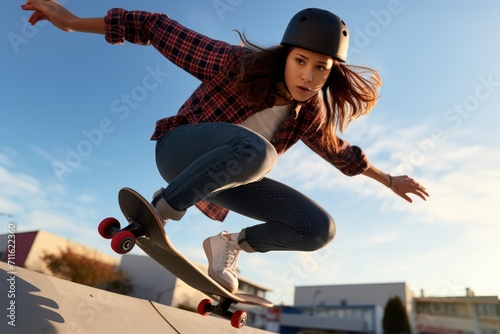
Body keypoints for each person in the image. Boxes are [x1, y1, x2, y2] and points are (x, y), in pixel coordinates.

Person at [22, 1, 429, 293]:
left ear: (331, 71)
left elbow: (340, 153)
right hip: (179, 153)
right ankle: (161, 212)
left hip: (226, 182)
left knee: (319, 229)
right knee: (258, 152)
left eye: (320, 68)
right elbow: (154, 26)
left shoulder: (312, 113)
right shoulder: (236, 63)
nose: (308, 76)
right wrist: (72, 20)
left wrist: (389, 179)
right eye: (301, 61)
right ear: (286, 55)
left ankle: (230, 245)